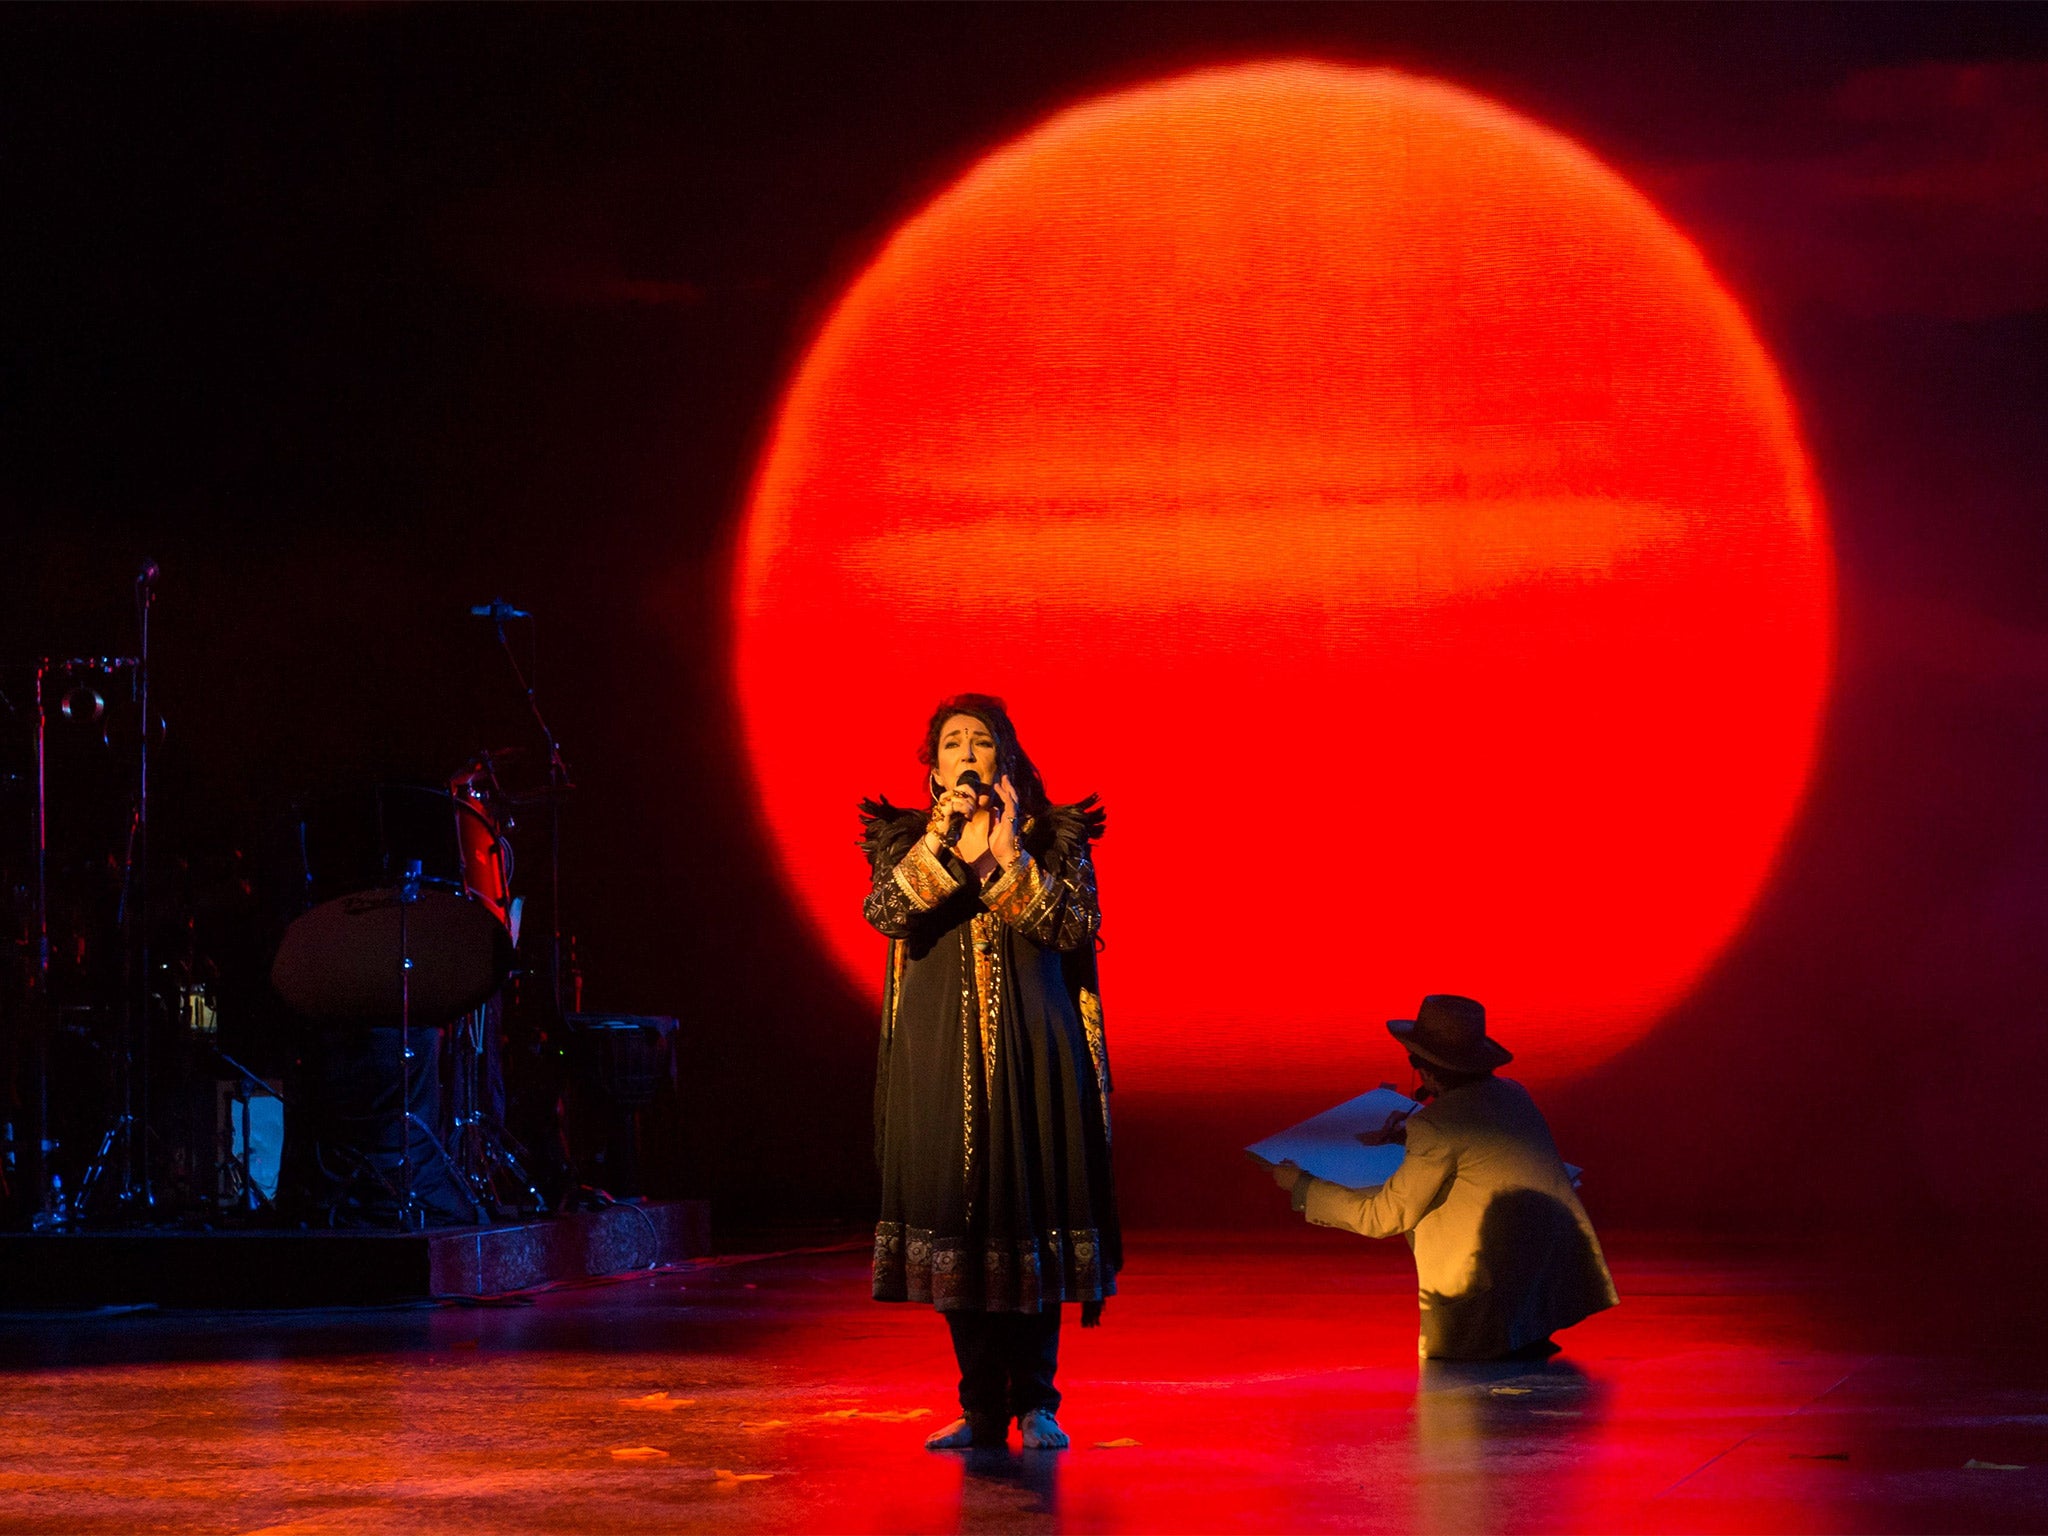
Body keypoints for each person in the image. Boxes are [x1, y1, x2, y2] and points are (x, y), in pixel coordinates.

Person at [858, 694, 1120, 1450]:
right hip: (939, 1061)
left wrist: (1007, 855)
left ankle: (1037, 1402)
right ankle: (979, 1409)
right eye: (951, 743)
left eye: (980, 741)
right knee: (960, 1234)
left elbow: (1073, 927)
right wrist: (943, 841)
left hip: (1034, 1057)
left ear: (1004, 757)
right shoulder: (907, 842)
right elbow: (886, 913)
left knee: (1026, 1225)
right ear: (933, 766)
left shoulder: (1052, 838)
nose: (965, 753)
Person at [1271, 994, 1617, 1360]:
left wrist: (1303, 1186)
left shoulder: (1436, 1126)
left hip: (1480, 1310)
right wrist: (1409, 1135)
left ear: (1429, 1071)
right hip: (1540, 1300)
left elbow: (1382, 1218)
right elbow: (1475, 1141)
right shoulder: (1514, 1094)